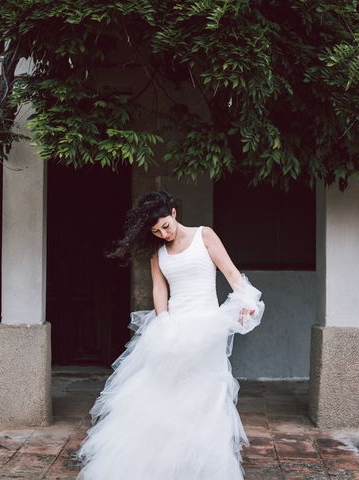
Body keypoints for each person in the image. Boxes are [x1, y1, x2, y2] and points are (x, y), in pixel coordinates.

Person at [76, 190, 265, 480]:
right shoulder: (158, 252)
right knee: (163, 394)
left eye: (165, 225)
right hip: (173, 327)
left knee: (207, 396)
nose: (163, 233)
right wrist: (162, 320)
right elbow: (159, 287)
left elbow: (230, 272)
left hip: (206, 326)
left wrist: (247, 301)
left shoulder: (205, 236)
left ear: (174, 213)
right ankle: (162, 464)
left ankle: (203, 468)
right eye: (156, 231)